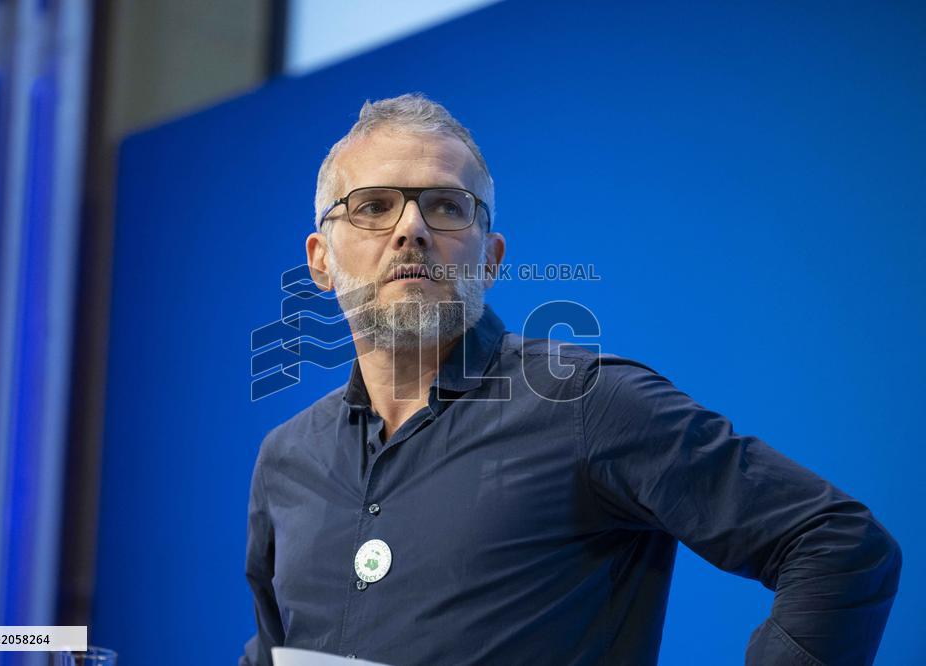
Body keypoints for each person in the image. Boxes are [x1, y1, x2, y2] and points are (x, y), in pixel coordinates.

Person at [239, 93, 901, 666]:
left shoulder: (588, 404)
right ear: (320, 260)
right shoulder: (285, 460)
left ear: (491, 258)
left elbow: (840, 545)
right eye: (374, 206)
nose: (411, 230)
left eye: (446, 208)